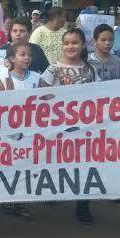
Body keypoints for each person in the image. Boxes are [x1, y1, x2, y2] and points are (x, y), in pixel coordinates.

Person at [40, 28, 98, 224]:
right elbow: (42, 95)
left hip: (84, 126)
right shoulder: (52, 69)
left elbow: (101, 95)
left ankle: (84, 206)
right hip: (58, 126)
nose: (70, 46)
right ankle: (54, 191)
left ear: (83, 45)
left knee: (84, 165)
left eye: (75, 42)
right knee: (57, 161)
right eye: (67, 43)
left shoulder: (91, 69)